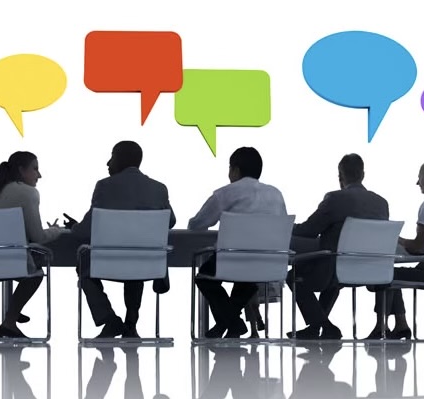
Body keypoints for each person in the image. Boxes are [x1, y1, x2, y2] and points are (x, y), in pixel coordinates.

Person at [67, 141, 176, 339]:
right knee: (137, 260)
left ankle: (110, 320)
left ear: (120, 159)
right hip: (148, 264)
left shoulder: (104, 186)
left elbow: (85, 230)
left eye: (112, 157)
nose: (108, 163)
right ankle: (130, 325)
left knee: (84, 267)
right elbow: (170, 221)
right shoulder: (159, 188)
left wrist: (73, 227)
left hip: (108, 261)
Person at [286, 154, 390, 340]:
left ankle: (323, 324)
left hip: (333, 269)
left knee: (294, 275)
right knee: (333, 273)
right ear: (363, 174)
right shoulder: (381, 203)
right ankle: (317, 325)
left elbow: (309, 230)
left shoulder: (335, 199)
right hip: (367, 270)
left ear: (340, 176)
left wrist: (284, 226)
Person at [188, 147, 287, 338]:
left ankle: (232, 322)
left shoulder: (226, 193)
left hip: (233, 260)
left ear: (235, 170)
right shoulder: (276, 194)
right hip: (269, 263)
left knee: (203, 278)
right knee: (247, 282)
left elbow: (197, 225)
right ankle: (231, 324)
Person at [366, 159, 424, 340]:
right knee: (393, 274)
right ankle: (401, 325)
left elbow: (418, 246)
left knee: (383, 274)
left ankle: (380, 328)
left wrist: (396, 239)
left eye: (420, 177)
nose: (418, 183)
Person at [0, 151, 61, 338]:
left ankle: (14, 310)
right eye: (35, 169)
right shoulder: (28, 193)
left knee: (24, 262)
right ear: (21, 170)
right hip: (12, 261)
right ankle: (10, 320)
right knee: (35, 274)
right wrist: (58, 230)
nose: (39, 175)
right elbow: (39, 237)